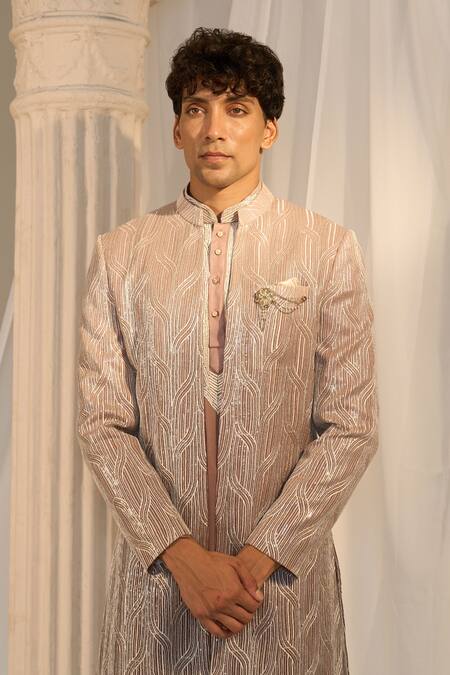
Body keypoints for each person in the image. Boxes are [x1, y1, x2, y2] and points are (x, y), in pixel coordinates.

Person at [77, 26, 379, 675]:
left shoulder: (326, 249)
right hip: (159, 592)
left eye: (236, 108)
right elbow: (102, 426)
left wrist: (257, 560)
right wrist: (184, 559)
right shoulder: (121, 255)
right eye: (197, 108)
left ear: (268, 129)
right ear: (176, 129)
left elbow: (352, 425)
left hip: (280, 594)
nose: (214, 128)